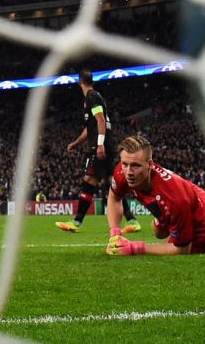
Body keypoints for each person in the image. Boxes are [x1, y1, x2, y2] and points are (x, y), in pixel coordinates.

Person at [105, 135, 205, 256]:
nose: (128, 171)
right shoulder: (122, 172)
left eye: (136, 166)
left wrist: (135, 248)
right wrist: (115, 234)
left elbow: (181, 249)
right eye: (125, 164)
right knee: (158, 232)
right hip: (190, 191)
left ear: (150, 165)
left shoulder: (174, 199)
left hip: (199, 217)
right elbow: (114, 197)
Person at [56, 69, 141, 234]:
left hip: (99, 146)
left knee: (89, 179)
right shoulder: (95, 97)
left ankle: (77, 221)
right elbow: (91, 127)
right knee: (113, 183)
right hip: (104, 144)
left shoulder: (91, 97)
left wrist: (100, 144)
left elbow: (100, 120)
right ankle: (132, 220)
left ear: (80, 81)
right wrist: (76, 143)